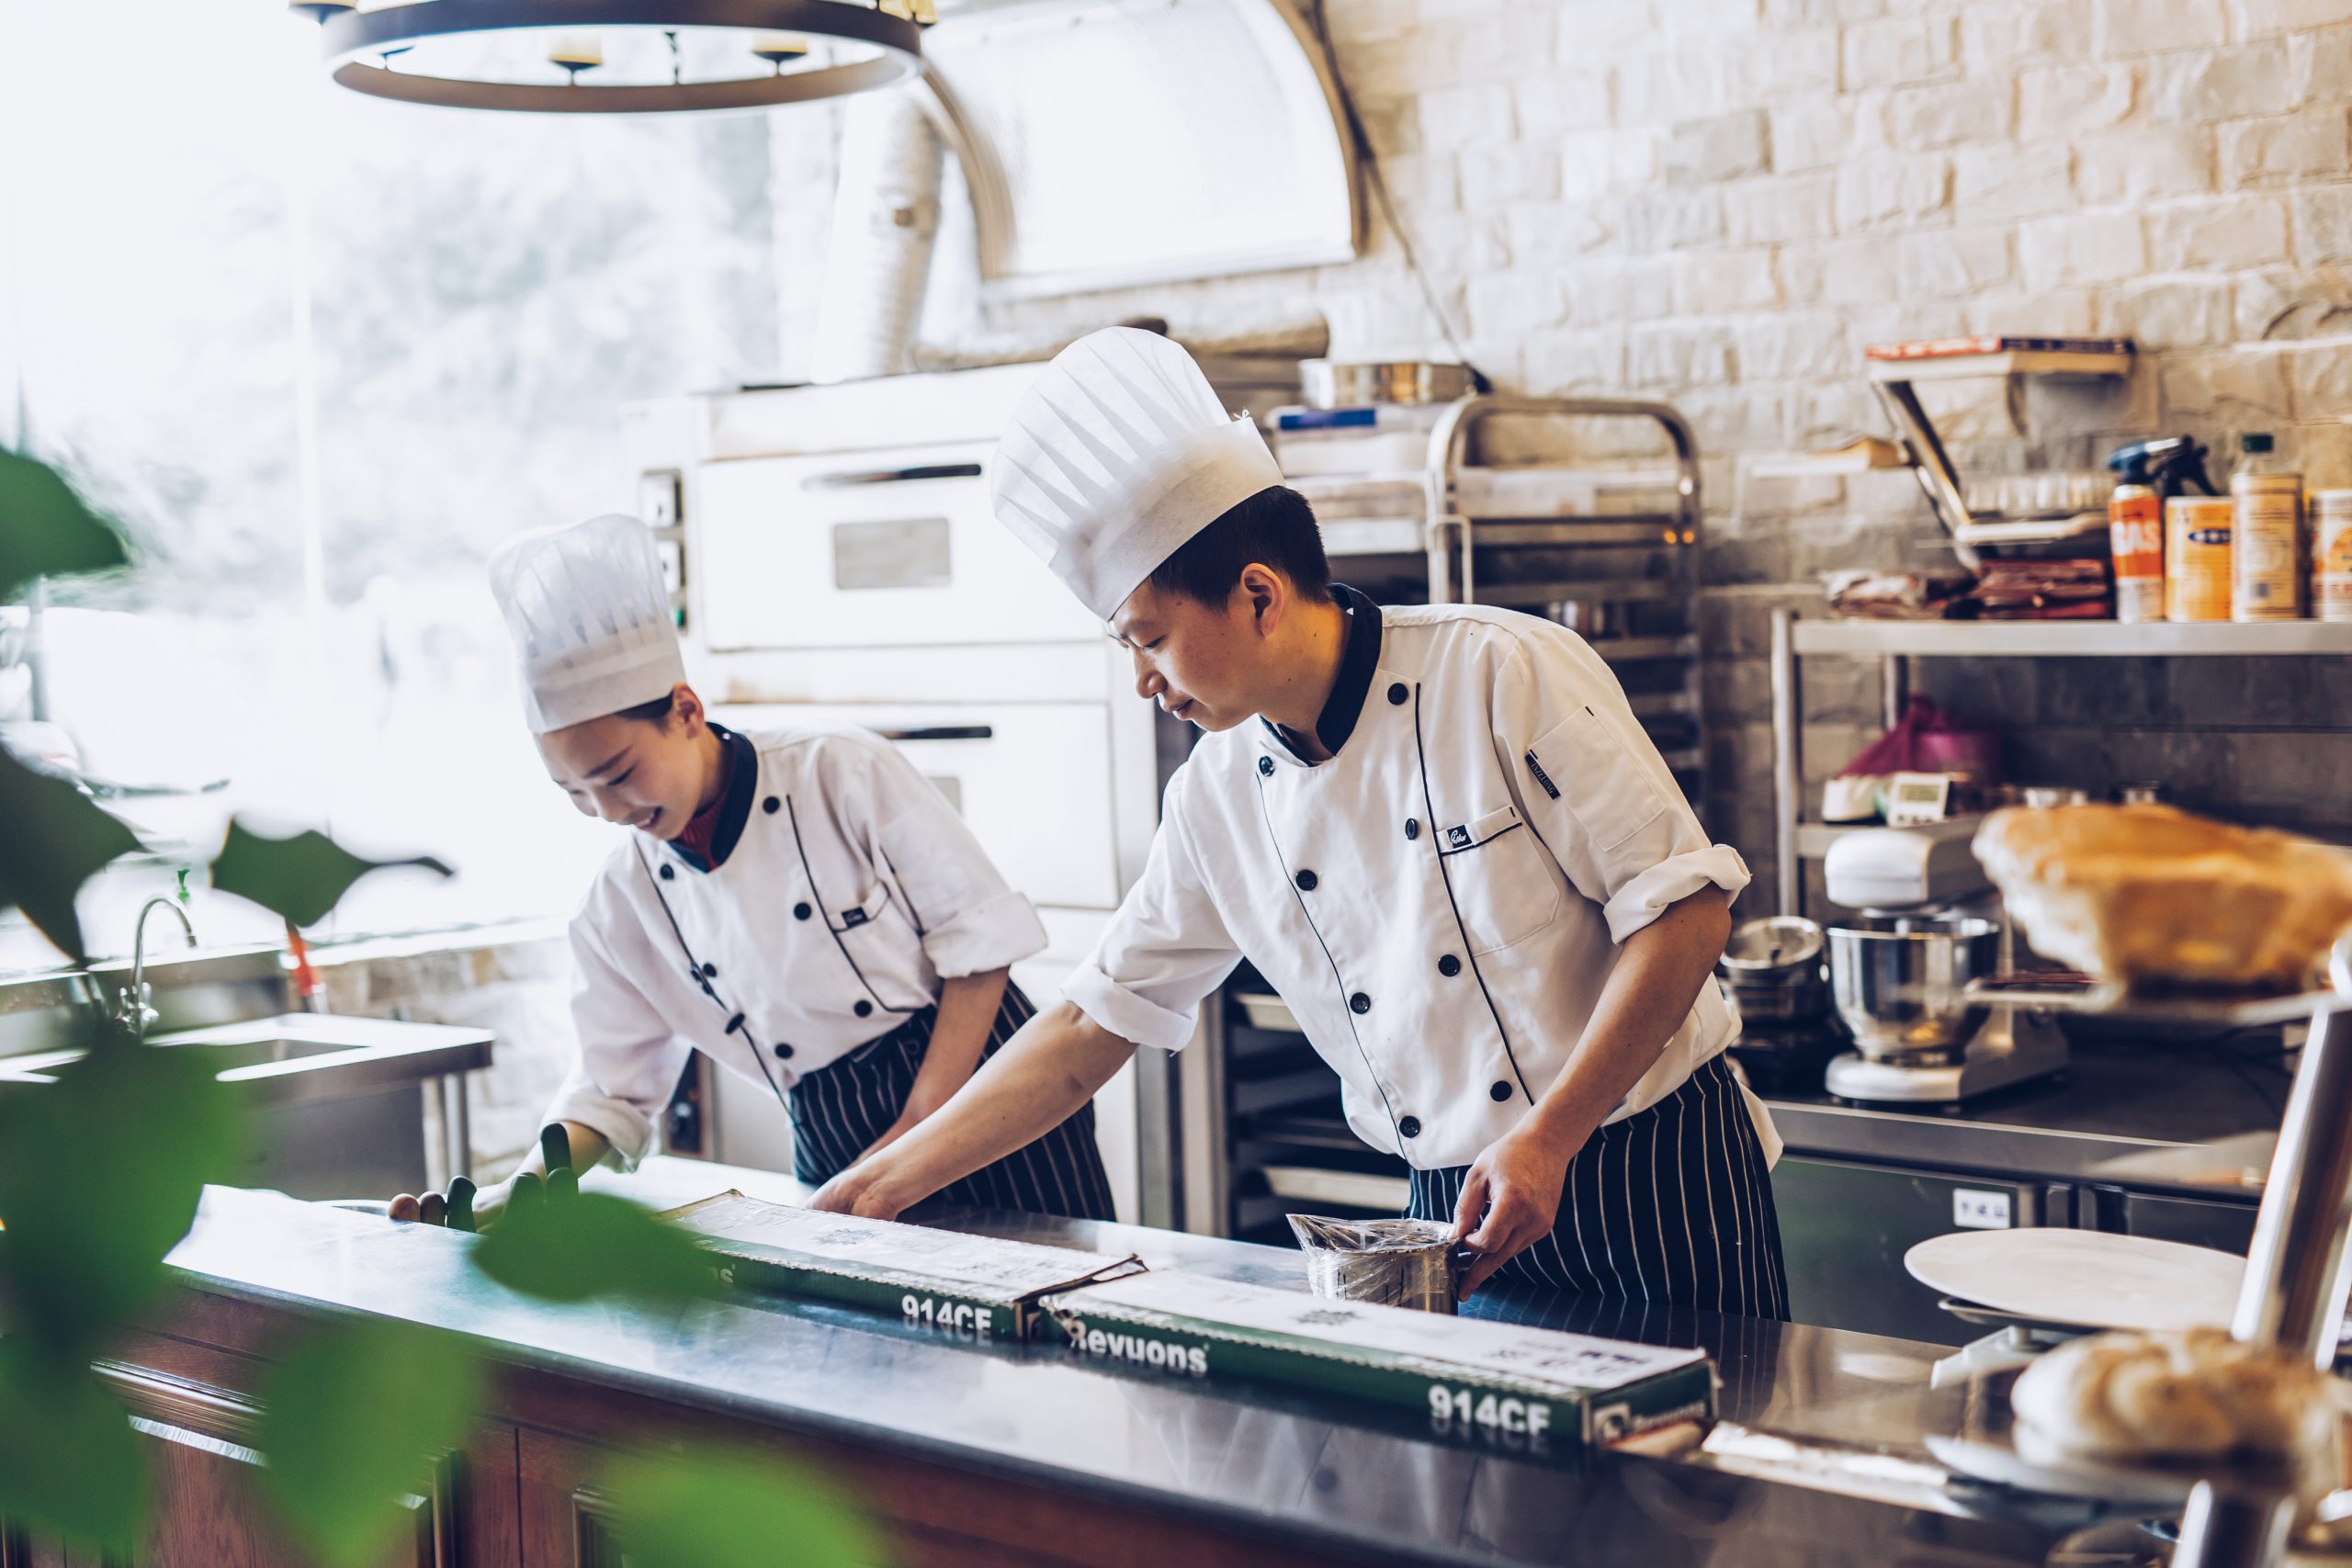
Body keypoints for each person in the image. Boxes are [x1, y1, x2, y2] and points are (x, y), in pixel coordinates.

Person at [815, 330, 1785, 1313]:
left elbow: (1685, 914)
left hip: (1650, 1163)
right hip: (1459, 1207)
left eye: (1149, 641)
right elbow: (1087, 1023)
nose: (1143, 681)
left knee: (1698, 1462)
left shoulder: (1500, 672)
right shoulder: (1215, 796)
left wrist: (1553, 1134)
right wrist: (883, 1184)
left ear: (1258, 596)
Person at [390, 513, 1114, 1227]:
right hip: (832, 1134)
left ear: (685, 710)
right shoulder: (621, 905)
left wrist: (921, 1131)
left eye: (616, 775)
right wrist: (517, 1192)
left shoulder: (837, 768)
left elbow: (979, 954)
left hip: (984, 1093)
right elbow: (609, 1089)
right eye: (574, 793)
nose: (606, 810)